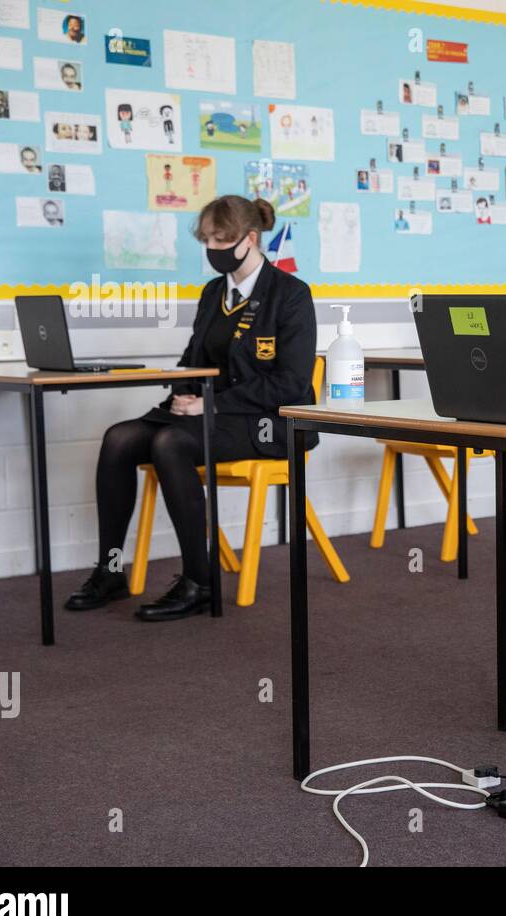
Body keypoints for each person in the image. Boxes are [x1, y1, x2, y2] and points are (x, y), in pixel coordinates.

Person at [64, 196, 318, 622]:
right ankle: (110, 572)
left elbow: (290, 384)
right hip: (211, 413)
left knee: (169, 443)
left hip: (269, 424)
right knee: (119, 438)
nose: (213, 248)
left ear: (250, 239)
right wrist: (183, 394)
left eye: (222, 239)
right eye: (207, 240)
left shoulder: (290, 295)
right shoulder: (212, 292)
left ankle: (200, 581)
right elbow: (194, 360)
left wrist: (210, 403)